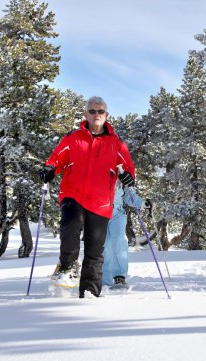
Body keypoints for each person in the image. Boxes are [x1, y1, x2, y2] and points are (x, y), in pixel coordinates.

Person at [38, 96, 135, 298]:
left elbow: (127, 167)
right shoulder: (73, 137)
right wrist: (50, 168)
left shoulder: (115, 142)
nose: (96, 115)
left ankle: (90, 292)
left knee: (94, 249)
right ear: (86, 115)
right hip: (74, 193)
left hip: (101, 201)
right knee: (71, 226)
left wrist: (127, 176)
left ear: (106, 115)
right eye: (92, 111)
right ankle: (67, 268)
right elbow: (57, 158)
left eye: (100, 111)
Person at [102, 181, 152, 289]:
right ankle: (104, 280)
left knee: (119, 241)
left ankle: (119, 277)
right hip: (100, 211)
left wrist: (142, 203)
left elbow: (130, 195)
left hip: (118, 212)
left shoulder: (121, 172)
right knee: (104, 245)